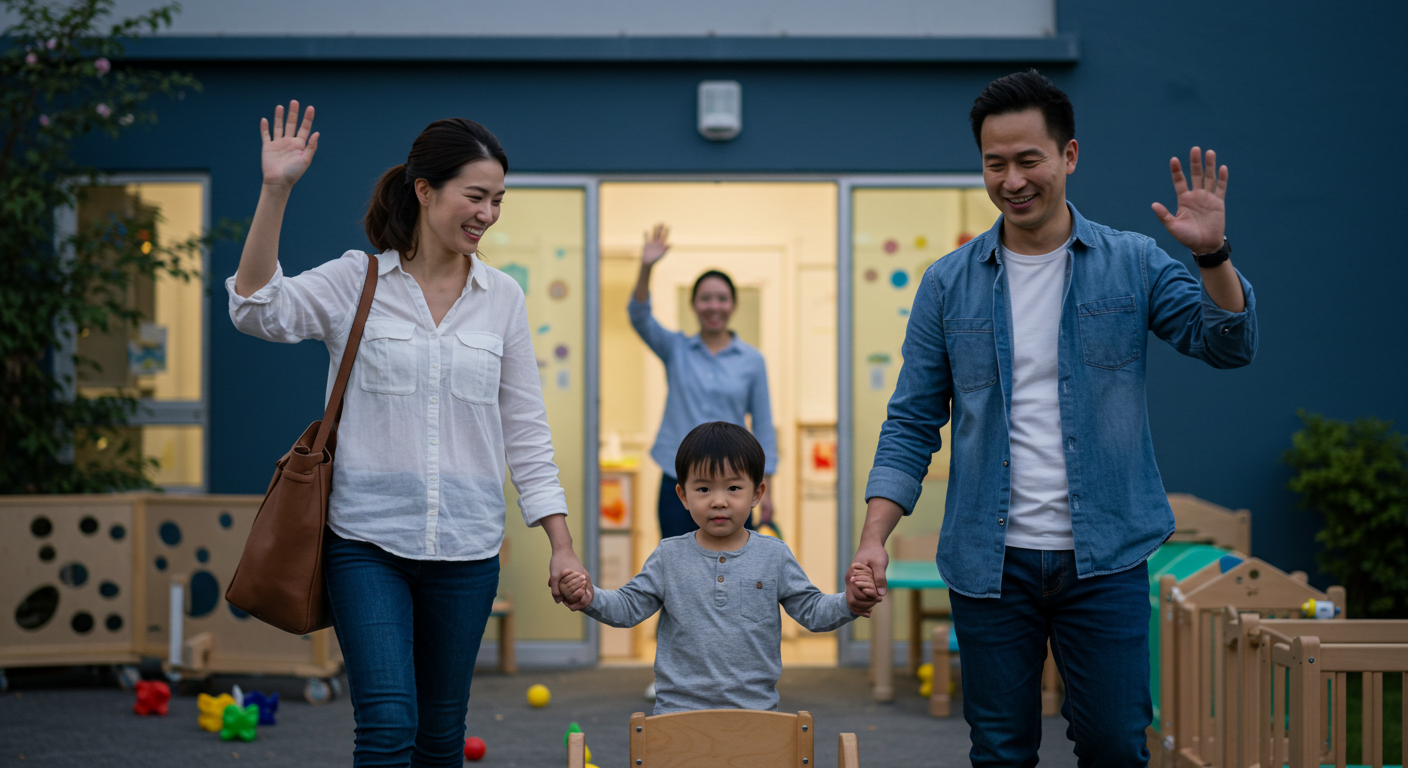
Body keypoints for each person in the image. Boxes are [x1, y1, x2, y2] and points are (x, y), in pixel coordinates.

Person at [846, 70, 1256, 768]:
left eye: (1028, 159)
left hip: (1109, 557)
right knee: (1001, 751)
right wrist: (873, 538)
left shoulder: (1129, 262)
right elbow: (913, 421)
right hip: (988, 563)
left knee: (1114, 747)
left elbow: (1226, 344)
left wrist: (1211, 254)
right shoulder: (948, 283)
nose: (1012, 179)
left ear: (1068, 156)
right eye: (994, 163)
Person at [227, 102, 591, 767]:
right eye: (474, 196)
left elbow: (525, 428)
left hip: (467, 549)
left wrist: (560, 545)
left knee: (440, 738)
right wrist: (275, 190)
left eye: (497, 200)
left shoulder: (502, 297)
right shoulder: (355, 280)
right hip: (367, 542)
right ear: (425, 191)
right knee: (389, 723)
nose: (487, 213)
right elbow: (255, 309)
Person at [559, 422, 876, 714]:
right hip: (677, 713)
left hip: (756, 714)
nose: (719, 501)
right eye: (704, 489)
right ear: (682, 496)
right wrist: (590, 597)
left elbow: (812, 610)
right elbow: (627, 608)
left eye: (734, 488)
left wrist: (849, 602)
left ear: (757, 493)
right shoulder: (668, 556)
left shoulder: (773, 555)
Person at [630, 224, 778, 539]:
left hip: (735, 483)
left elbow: (763, 427)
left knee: (733, 570)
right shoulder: (676, 349)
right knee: (677, 570)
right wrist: (646, 267)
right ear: (694, 304)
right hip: (678, 480)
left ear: (733, 305)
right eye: (706, 298)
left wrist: (769, 492)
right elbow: (639, 316)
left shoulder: (752, 360)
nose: (714, 307)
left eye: (722, 299)